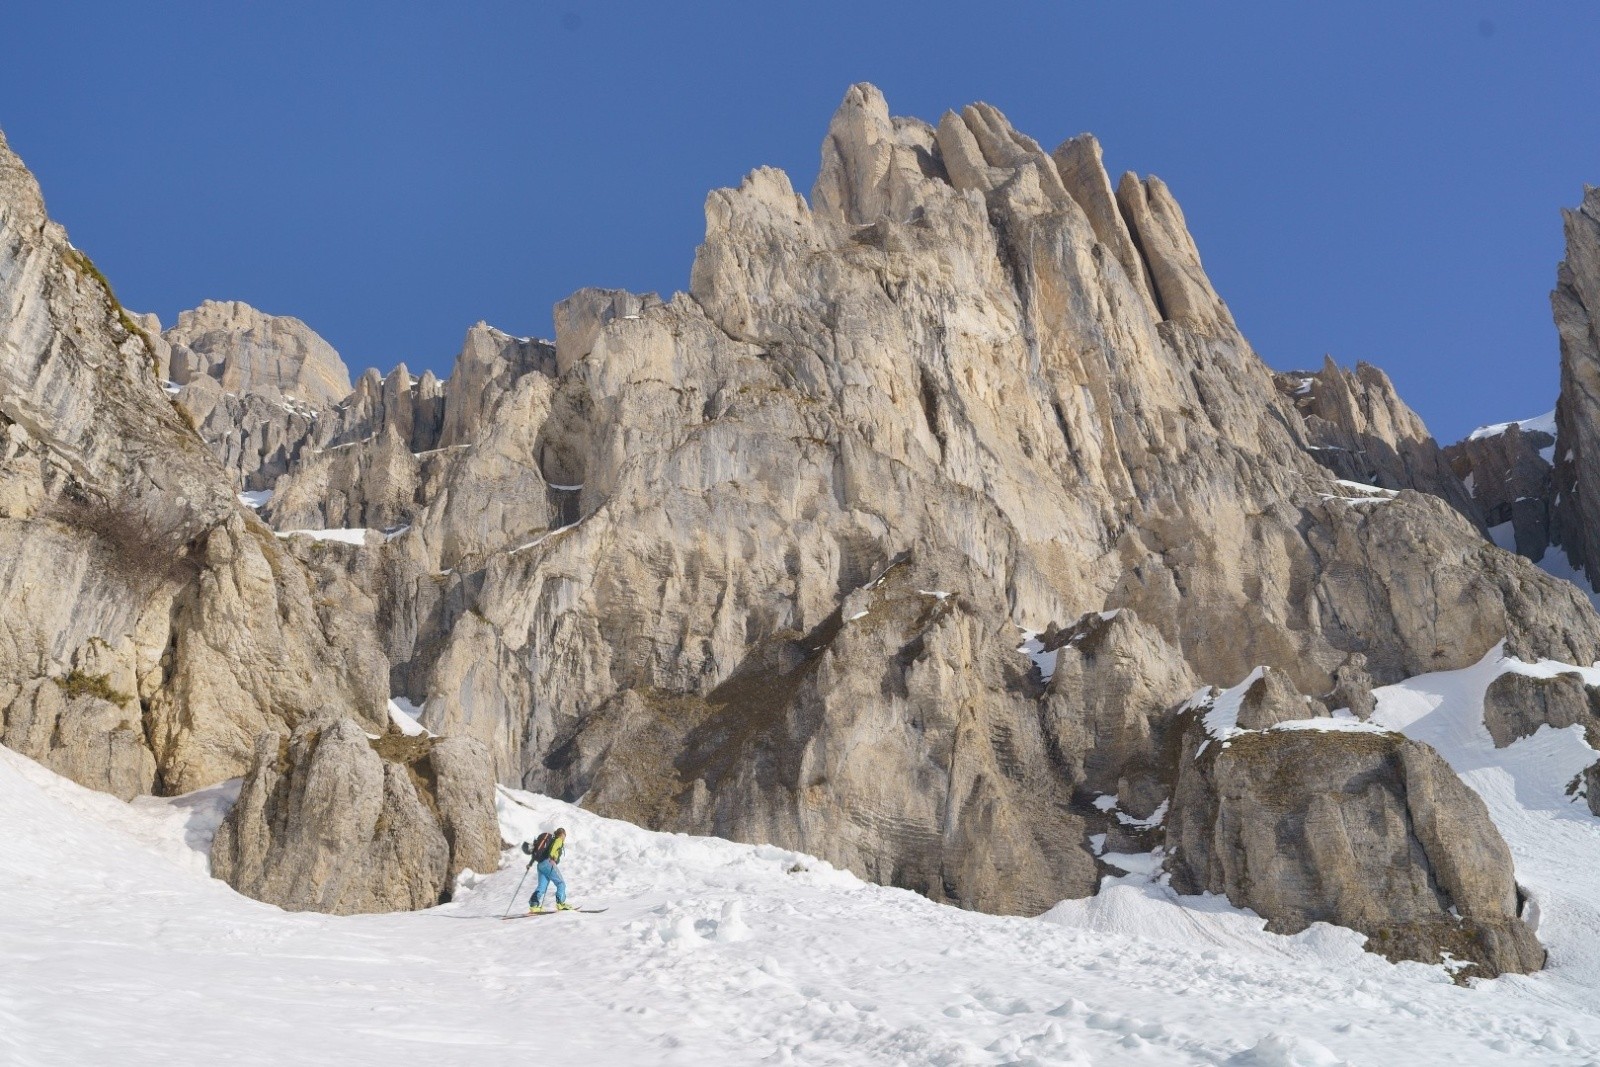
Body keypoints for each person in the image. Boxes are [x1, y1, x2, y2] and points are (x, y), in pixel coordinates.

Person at [523, 827, 572, 912]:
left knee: (542, 886)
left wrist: (530, 864)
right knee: (561, 883)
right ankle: (560, 903)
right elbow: (553, 850)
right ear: (562, 835)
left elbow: (538, 852)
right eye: (564, 836)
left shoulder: (550, 840)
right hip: (548, 863)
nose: (564, 838)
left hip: (540, 864)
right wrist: (553, 858)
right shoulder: (558, 840)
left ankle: (534, 905)